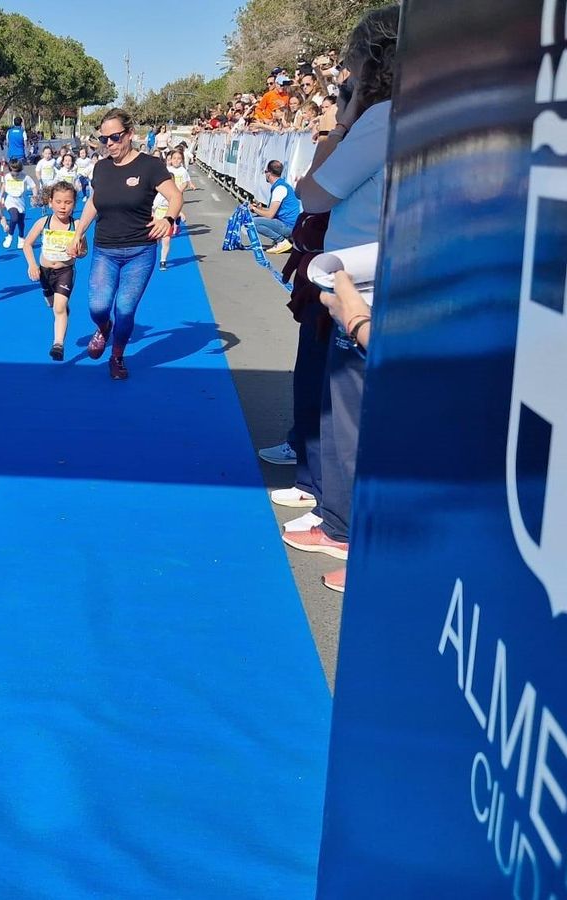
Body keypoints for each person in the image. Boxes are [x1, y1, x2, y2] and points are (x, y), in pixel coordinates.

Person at [280, 4, 399, 592]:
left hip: (363, 286)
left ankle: (344, 527)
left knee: (348, 410)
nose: (344, 79)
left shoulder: (380, 120)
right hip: (376, 275)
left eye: (350, 65)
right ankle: (339, 517)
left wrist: (344, 123)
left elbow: (314, 194)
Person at [69, 109, 184, 380]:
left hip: (140, 251)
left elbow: (176, 197)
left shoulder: (150, 166)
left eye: (115, 137)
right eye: (103, 138)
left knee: (125, 309)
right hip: (105, 250)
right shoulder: (101, 167)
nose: (109, 143)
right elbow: (94, 202)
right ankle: (103, 327)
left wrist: (168, 218)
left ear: (130, 135)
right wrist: (79, 231)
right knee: (97, 307)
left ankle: (117, 356)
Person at [21, 181, 85, 361]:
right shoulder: (44, 222)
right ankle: (62, 309)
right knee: (52, 305)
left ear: (74, 203)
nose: (63, 207)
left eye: (68, 202)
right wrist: (32, 265)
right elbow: (27, 244)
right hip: (44, 271)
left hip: (65, 271)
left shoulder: (77, 225)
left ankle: (58, 344)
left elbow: (84, 250)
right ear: (50, 202)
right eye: (58, 202)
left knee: (58, 308)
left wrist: (79, 252)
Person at [155, 147, 196, 270]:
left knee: (166, 239)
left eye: (179, 158)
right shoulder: (166, 171)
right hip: (159, 211)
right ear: (170, 160)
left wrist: (178, 193)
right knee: (157, 237)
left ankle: (163, 261)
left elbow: (186, 182)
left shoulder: (183, 171)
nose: (177, 160)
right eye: (174, 158)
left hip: (173, 203)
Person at [251, 160, 302, 253]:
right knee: (255, 218)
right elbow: (273, 211)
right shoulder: (281, 186)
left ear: (269, 173)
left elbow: (270, 215)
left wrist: (254, 209)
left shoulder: (279, 189)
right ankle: (283, 240)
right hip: (289, 224)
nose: (265, 174)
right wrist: (260, 208)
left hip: (288, 226)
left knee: (252, 222)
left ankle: (281, 241)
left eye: (265, 171)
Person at [0, 160, 35, 250]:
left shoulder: (25, 177)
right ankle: (10, 236)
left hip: (20, 200)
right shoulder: (7, 176)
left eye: (17, 174)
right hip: (10, 200)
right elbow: (4, 186)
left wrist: (35, 196)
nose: (15, 176)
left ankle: (21, 238)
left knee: (20, 221)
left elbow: (34, 186)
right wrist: (0, 197)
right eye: (13, 174)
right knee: (14, 218)